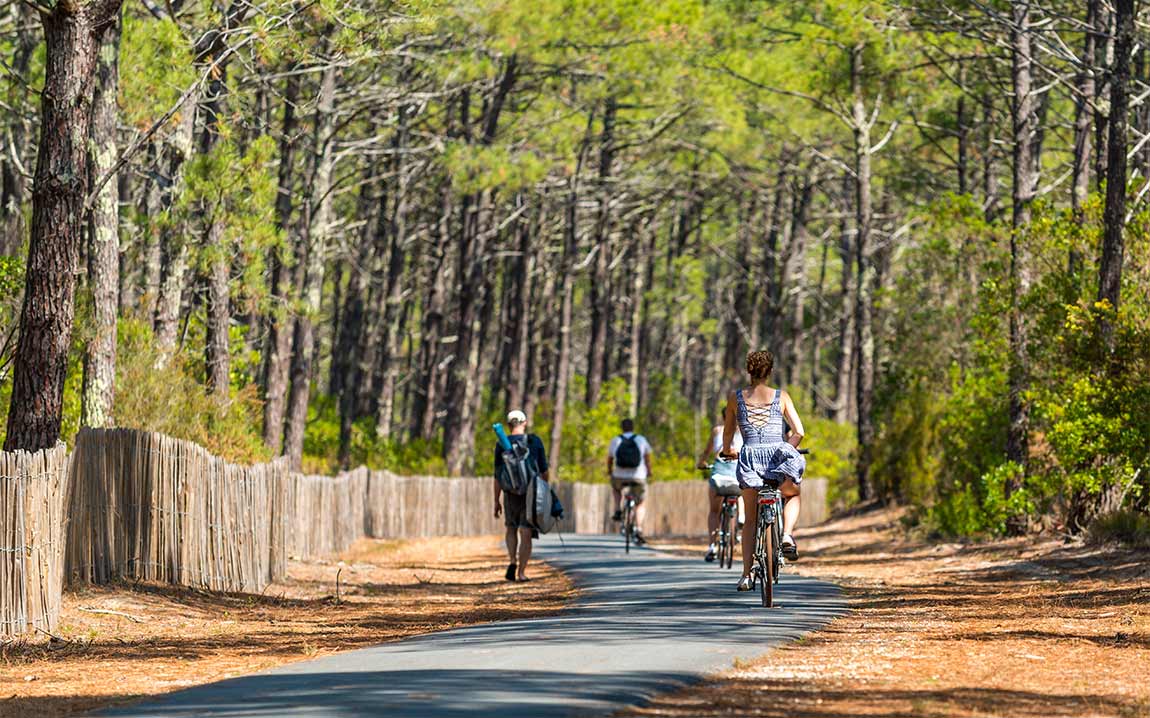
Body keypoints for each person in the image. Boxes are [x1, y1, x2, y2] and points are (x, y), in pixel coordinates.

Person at [720, 349, 806, 592]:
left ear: (749, 371)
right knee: (793, 494)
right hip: (777, 457)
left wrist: (727, 450)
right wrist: (785, 450)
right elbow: (799, 431)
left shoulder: (735, 397)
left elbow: (728, 432)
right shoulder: (782, 396)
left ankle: (746, 575)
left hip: (749, 458)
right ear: (770, 371)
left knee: (750, 520)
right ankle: (787, 535)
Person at [493, 409, 549, 582]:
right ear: (525, 423)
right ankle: (522, 573)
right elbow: (545, 471)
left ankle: (512, 560)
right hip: (531, 493)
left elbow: (497, 476)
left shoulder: (501, 444)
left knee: (511, 528)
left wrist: (496, 500)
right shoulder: (534, 441)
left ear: (509, 425)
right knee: (526, 532)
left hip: (510, 493)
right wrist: (544, 492)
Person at [696, 407, 744, 562]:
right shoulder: (744, 432)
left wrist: (702, 462)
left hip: (719, 477)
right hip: (737, 477)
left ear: (724, 417)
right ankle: (741, 516)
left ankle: (713, 546)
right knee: (742, 491)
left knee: (714, 511)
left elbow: (706, 452)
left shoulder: (717, 431)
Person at [608, 418, 653, 543]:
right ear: (633, 427)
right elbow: (647, 459)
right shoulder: (641, 439)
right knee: (640, 502)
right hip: (638, 476)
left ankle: (617, 508)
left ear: (622, 428)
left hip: (619, 475)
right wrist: (649, 471)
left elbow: (610, 459)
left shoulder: (616, 440)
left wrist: (609, 471)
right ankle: (638, 529)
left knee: (616, 488)